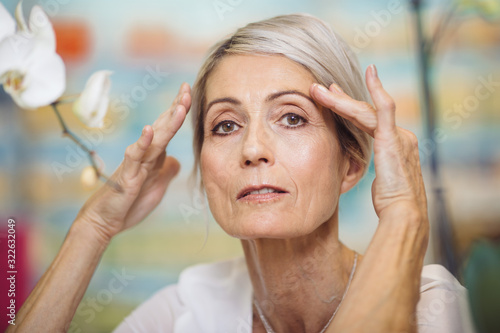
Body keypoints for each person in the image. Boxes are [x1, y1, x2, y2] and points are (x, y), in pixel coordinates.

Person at [8, 13, 475, 333]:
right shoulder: (185, 313)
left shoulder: (429, 305)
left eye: (292, 117)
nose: (252, 149)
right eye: (226, 125)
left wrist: (403, 215)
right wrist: (94, 226)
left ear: (351, 164)